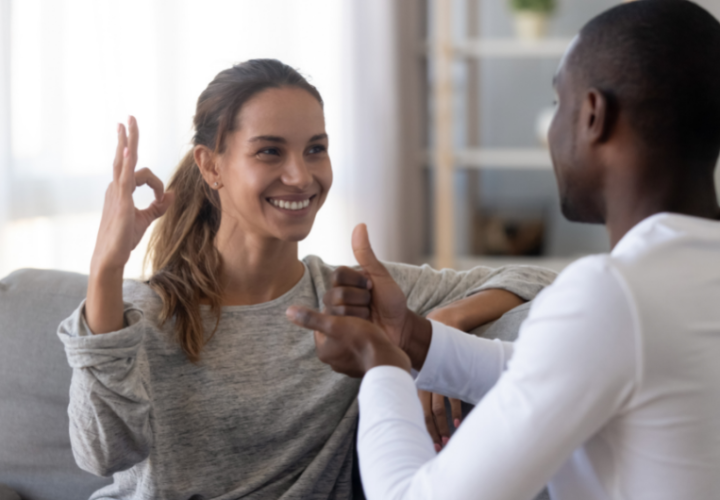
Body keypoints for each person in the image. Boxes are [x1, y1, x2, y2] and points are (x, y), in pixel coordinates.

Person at [56, 59, 555, 499]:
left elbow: (538, 279)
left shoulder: (349, 298)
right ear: (212, 166)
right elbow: (103, 454)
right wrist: (106, 269)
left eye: (315, 149)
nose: (300, 175)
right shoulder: (147, 312)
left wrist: (431, 333)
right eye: (270, 152)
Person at [286, 1, 720, 499]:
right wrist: (409, 335)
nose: (551, 134)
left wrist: (381, 364)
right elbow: (550, 367)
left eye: (559, 104)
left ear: (594, 115)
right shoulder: (683, 277)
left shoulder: (615, 293)